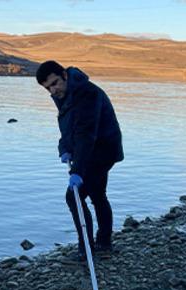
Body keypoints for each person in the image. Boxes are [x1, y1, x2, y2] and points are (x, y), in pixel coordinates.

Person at [36, 60, 123, 261]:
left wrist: (77, 171)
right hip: (91, 150)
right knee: (98, 194)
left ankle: (86, 249)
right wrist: (64, 148)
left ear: (64, 75)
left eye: (55, 83)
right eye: (48, 88)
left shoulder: (87, 93)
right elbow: (69, 128)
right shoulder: (66, 93)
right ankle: (103, 243)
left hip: (102, 150)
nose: (53, 90)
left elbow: (86, 134)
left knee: (74, 197)